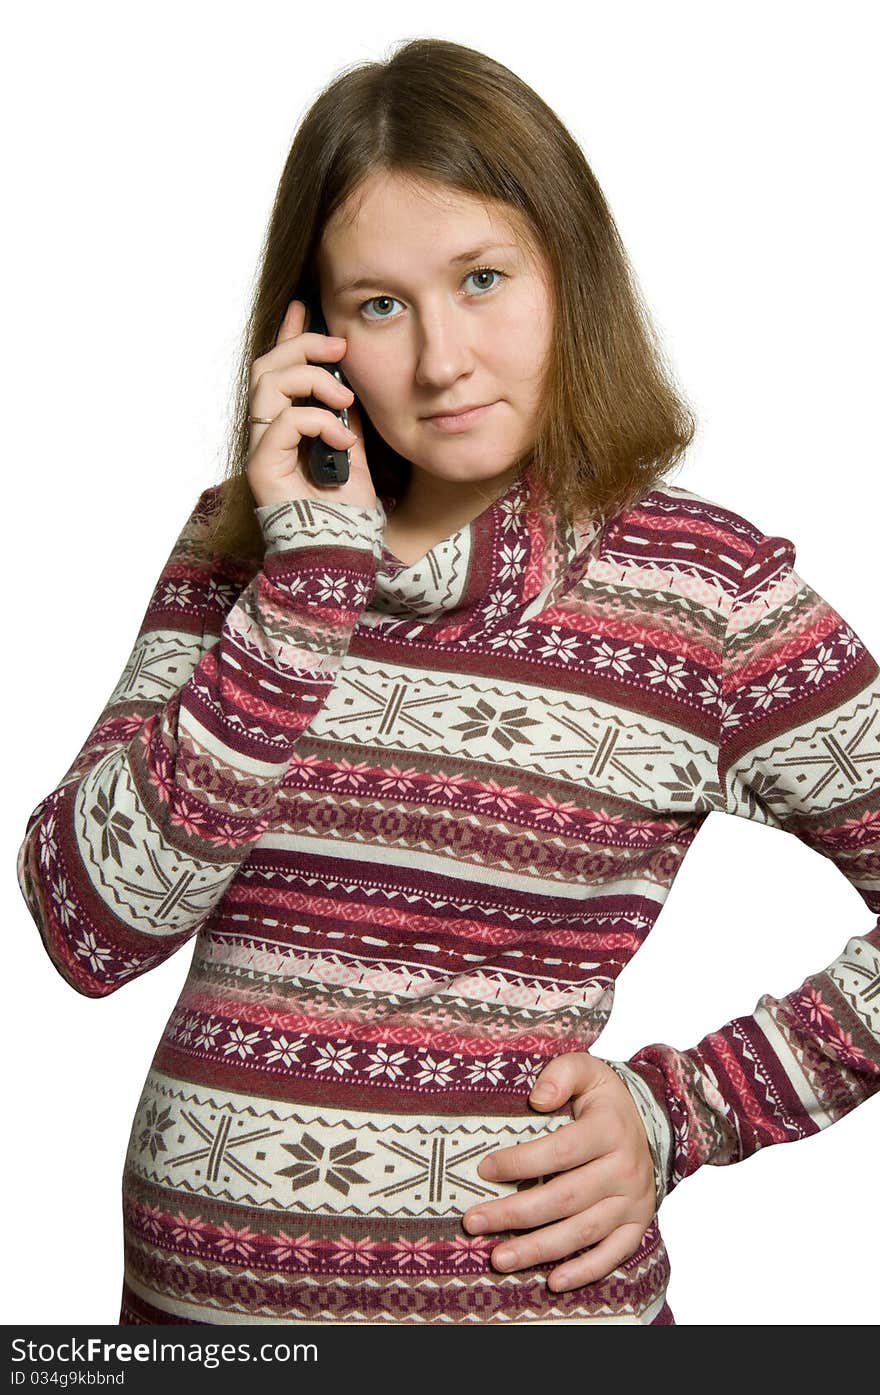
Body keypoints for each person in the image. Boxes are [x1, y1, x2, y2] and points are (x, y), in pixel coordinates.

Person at [16, 36, 880, 1327]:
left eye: (483, 280)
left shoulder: (707, 595)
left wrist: (683, 1110)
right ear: (310, 336)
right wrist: (307, 585)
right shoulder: (239, 549)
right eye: (379, 305)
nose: (440, 360)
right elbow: (86, 926)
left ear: (566, 275)